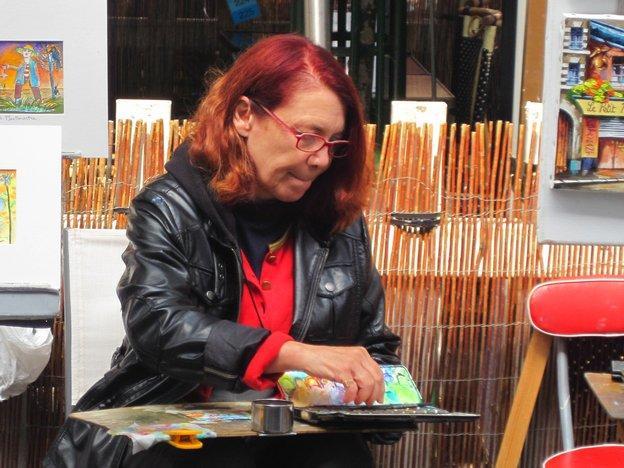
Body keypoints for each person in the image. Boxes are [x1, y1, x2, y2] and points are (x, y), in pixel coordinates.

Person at [44, 33, 400, 467]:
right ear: (245, 115)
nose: (322, 160)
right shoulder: (169, 207)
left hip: (301, 435)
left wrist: (374, 385)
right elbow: (159, 325)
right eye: (308, 136)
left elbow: (373, 345)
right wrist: (292, 354)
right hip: (182, 428)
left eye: (334, 143)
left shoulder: (340, 222)